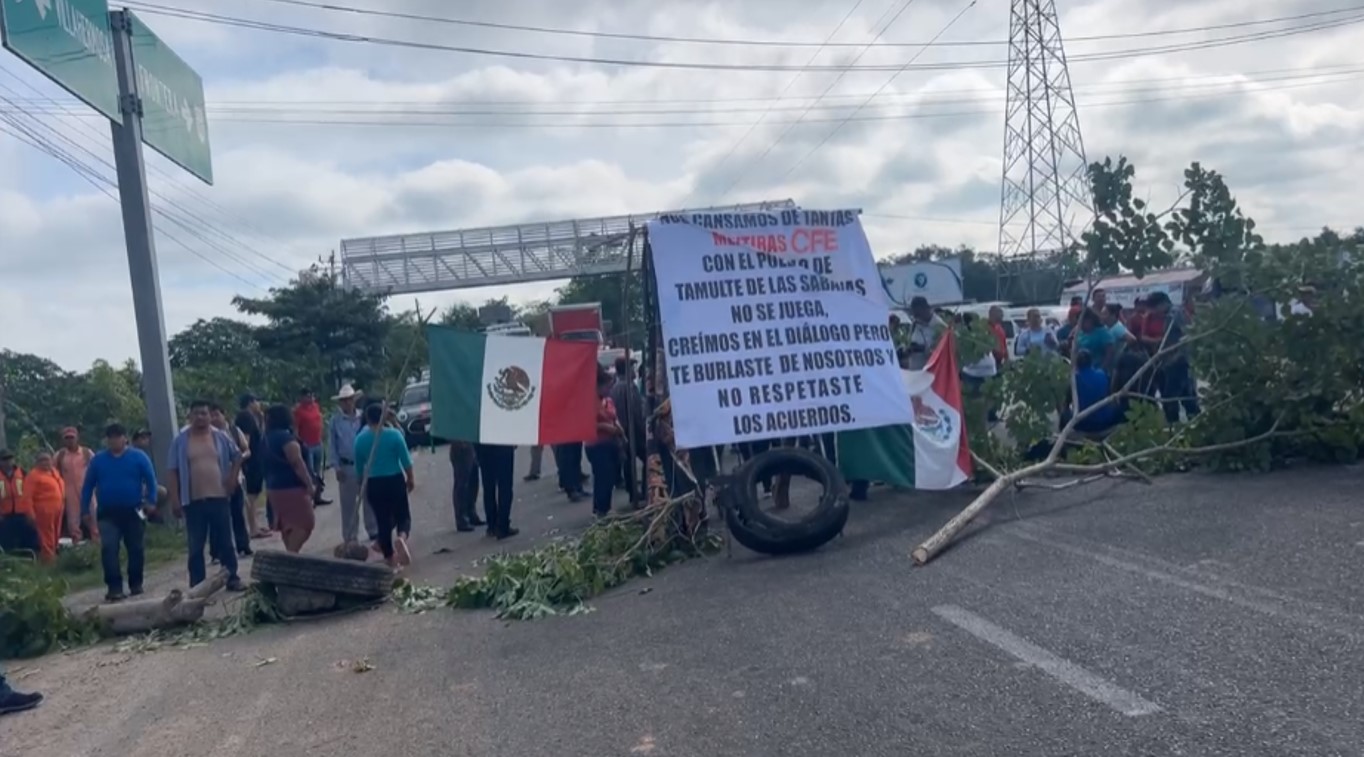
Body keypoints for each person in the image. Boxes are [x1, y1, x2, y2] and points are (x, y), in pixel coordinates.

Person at [168, 400, 246, 592]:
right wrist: (175, 500)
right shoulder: (181, 440)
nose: (200, 417)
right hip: (193, 501)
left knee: (226, 542)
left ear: (210, 416)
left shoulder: (220, 436)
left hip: (219, 497)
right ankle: (198, 586)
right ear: (190, 416)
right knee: (196, 546)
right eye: (196, 414)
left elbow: (238, 456)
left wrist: (233, 478)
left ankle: (232, 577)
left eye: (204, 413)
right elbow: (172, 471)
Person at [81, 424, 157, 602]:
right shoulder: (99, 460)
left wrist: (151, 502)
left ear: (125, 438)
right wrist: (84, 509)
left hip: (134, 510)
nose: (114, 440)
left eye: (118, 436)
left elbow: (151, 480)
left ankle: (135, 583)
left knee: (136, 548)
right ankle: (114, 587)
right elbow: (88, 486)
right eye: (111, 437)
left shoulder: (138, 457)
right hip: (108, 513)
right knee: (109, 548)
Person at [355, 402, 415, 568]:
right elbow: (406, 460)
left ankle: (390, 558)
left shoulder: (360, 440)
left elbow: (359, 468)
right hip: (394, 479)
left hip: (374, 483)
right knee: (403, 515)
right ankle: (401, 538)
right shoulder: (394, 435)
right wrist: (410, 478)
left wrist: (361, 484)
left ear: (367, 419)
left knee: (383, 521)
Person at [262, 404, 316, 552]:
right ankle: (291, 555)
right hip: (292, 487)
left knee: (288, 525)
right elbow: (297, 462)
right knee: (305, 523)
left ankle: (291, 554)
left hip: (274, 487)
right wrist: (310, 484)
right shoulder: (285, 438)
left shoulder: (266, 438)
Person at [329, 384, 379, 547]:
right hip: (346, 465)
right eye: (344, 401)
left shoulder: (363, 417)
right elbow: (332, 445)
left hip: (364, 463)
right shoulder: (335, 421)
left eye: (349, 400)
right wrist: (336, 467)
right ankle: (350, 535)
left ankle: (373, 529)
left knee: (369, 499)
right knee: (348, 503)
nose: (347, 403)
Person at [209, 403, 253, 559]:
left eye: (216, 414)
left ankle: (243, 545)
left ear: (223, 415)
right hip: (214, 481)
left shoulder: (234, 431)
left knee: (237, 513)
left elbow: (246, 449)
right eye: (211, 415)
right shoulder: (206, 434)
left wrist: (240, 458)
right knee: (217, 517)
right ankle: (216, 551)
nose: (213, 418)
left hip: (235, 478)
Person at [587, 368, 624, 518]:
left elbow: (614, 417)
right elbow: (589, 423)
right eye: (607, 386)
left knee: (608, 476)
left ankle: (602, 506)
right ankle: (602, 508)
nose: (609, 389)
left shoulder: (607, 400)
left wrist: (618, 427)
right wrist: (606, 427)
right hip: (596, 444)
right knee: (603, 476)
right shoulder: (590, 402)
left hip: (610, 441)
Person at [234, 394, 271, 537]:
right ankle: (253, 528)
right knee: (251, 495)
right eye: (257, 401)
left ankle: (255, 525)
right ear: (250, 402)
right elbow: (246, 440)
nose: (259, 404)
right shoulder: (246, 417)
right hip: (251, 462)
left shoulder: (252, 417)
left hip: (255, 459)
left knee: (254, 494)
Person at [611, 356, 646, 503]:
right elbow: (636, 412)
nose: (634, 371)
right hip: (632, 431)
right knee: (648, 459)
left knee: (629, 462)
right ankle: (642, 491)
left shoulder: (615, 387)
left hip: (624, 431)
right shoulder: (628, 388)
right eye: (631, 368)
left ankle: (634, 492)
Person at [1062, 350, 1122, 434]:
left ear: (1076, 364)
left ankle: (1062, 436)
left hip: (1084, 423)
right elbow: (1110, 395)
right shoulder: (1102, 374)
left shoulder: (1074, 379)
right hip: (1106, 421)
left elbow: (1066, 404)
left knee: (1064, 413)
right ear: (1091, 362)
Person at [54, 427, 95, 543]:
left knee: (93, 516)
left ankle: (98, 544)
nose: (70, 440)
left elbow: (96, 469)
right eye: (67, 438)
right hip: (69, 492)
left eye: (72, 437)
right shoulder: (60, 456)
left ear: (77, 438)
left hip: (87, 490)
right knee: (73, 521)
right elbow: (53, 473)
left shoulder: (87, 453)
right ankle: (77, 546)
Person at [292, 388, 330, 506]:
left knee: (318, 472)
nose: (310, 397)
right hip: (307, 445)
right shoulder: (298, 411)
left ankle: (318, 496)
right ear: (302, 397)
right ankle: (309, 497)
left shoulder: (315, 407)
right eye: (307, 396)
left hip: (318, 442)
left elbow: (319, 421)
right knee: (310, 471)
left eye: (311, 395)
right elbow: (295, 429)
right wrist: (300, 442)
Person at [26, 451, 66, 563]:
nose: (45, 462)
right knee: (46, 534)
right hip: (43, 510)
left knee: (56, 533)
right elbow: (27, 497)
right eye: (42, 460)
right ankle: (49, 559)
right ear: (37, 462)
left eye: (47, 459)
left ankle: (53, 554)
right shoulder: (33, 476)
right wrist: (30, 514)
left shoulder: (54, 472)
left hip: (58, 508)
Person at [474, 441, 517, 540]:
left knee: (488, 487)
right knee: (505, 486)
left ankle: (492, 525)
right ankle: (502, 525)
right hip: (503, 445)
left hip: (483, 446)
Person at [0, 449, 40, 556]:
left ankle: (31, 560)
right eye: (4, 459)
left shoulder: (23, 473)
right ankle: (11, 564)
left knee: (29, 540)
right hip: (5, 517)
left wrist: (31, 513)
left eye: (10, 458)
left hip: (23, 514)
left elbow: (31, 494)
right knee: (7, 543)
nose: (8, 462)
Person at [449, 440, 484, 532]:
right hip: (461, 444)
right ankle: (462, 518)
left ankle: (471, 513)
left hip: (470, 442)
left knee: (473, 480)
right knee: (462, 483)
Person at [905, 297, 947, 371]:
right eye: (914, 314)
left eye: (918, 314)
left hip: (932, 371)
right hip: (915, 371)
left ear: (925, 309)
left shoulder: (939, 326)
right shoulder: (915, 324)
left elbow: (943, 351)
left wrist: (923, 349)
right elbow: (909, 342)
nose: (916, 317)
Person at [1075, 308, 1116, 373]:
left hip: (1098, 370)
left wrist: (1101, 370)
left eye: (1082, 322)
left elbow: (1110, 354)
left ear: (1090, 320)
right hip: (1081, 371)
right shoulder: (1080, 334)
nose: (1080, 325)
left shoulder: (1103, 333)